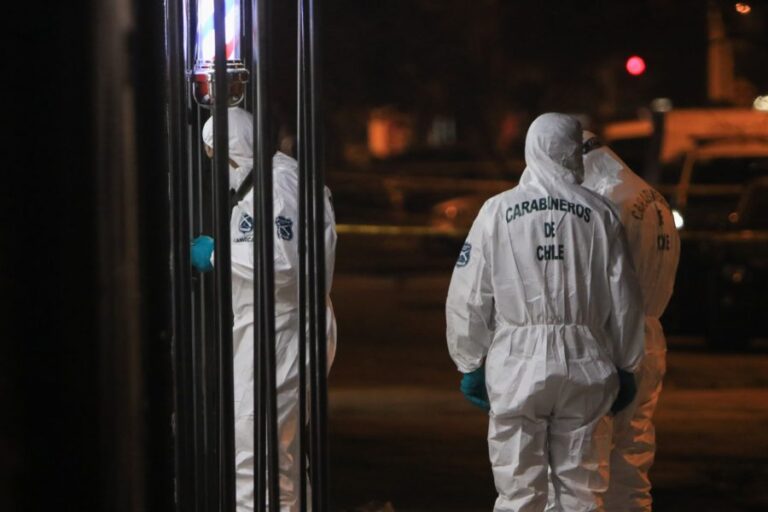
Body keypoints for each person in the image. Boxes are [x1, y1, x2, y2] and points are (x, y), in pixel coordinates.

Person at [446, 113, 645, 512]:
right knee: (582, 491)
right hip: (586, 364)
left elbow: (468, 295)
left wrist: (470, 360)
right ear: (574, 151)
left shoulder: (497, 211)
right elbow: (624, 298)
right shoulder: (601, 214)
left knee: (519, 492)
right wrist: (627, 362)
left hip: (517, 365)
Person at [191, 107, 338, 512]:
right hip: (281, 328)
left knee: (255, 450)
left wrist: (218, 255)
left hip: (279, 331)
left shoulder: (277, 186)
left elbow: (282, 263)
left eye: (217, 155)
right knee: (278, 452)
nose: (218, 167)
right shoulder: (275, 182)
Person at [580, 132, 680, 512]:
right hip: (650, 339)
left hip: (611, 341)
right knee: (632, 465)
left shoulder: (603, 200)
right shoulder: (651, 198)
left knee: (590, 470)